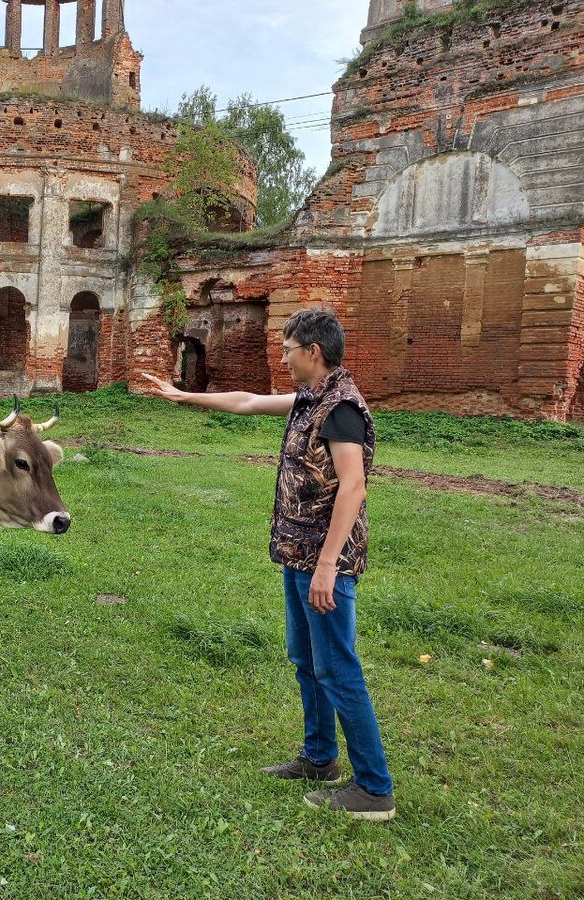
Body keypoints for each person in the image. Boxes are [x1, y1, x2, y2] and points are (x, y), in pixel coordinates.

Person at [142, 307, 395, 821]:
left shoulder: (341, 408)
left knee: (337, 667)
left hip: (325, 564)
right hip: (297, 555)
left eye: (287, 348)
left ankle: (373, 787)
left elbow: (353, 488)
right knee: (306, 659)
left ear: (313, 353)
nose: (282, 355)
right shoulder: (311, 397)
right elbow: (248, 401)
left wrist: (327, 567)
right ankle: (320, 758)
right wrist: (183, 395)